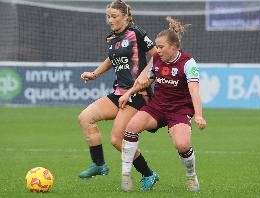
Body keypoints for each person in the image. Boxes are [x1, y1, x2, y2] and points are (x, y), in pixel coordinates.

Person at [119, 16, 207, 192]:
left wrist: (198, 115)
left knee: (182, 145)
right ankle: (126, 176)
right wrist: (128, 93)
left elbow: (194, 90)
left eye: (161, 47)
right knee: (131, 127)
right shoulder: (157, 60)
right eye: (156, 47)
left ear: (173, 47)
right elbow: (145, 81)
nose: (157, 51)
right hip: (157, 107)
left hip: (179, 110)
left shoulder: (188, 63)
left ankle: (191, 177)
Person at [78, 0, 159, 190]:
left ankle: (149, 174)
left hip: (137, 94)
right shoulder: (113, 38)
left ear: (125, 17)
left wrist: (145, 76)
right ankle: (99, 165)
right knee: (85, 118)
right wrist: (95, 74)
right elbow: (111, 58)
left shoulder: (136, 33)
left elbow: (157, 55)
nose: (110, 20)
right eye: (108, 16)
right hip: (119, 92)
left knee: (116, 140)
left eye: (114, 16)